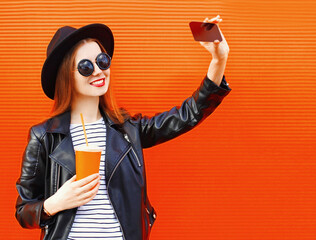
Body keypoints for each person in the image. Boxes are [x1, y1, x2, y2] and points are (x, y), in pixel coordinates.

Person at [15, 15, 231, 240]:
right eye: (86, 66)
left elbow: (187, 116)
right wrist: (55, 203)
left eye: (102, 61)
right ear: (66, 76)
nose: (99, 71)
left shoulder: (128, 130)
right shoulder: (44, 137)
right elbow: (23, 211)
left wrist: (218, 60)